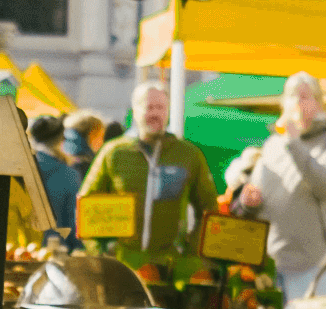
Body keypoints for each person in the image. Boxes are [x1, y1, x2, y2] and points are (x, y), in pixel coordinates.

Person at [77, 80, 219, 281]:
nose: (155, 113)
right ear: (135, 110)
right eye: (149, 107)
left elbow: (209, 209)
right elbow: (86, 204)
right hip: (122, 264)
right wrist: (99, 253)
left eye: (161, 107)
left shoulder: (188, 154)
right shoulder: (114, 152)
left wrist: (190, 250)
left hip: (171, 265)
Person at [234, 72, 326, 298]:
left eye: (305, 96)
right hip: (271, 263)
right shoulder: (273, 144)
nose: (297, 102)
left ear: (319, 102)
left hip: (315, 266)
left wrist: (294, 144)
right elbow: (256, 195)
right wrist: (247, 201)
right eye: (291, 96)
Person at [28, 111, 82, 232]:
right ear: (61, 140)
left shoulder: (19, 168)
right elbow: (72, 223)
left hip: (20, 247)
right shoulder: (68, 175)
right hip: (56, 246)